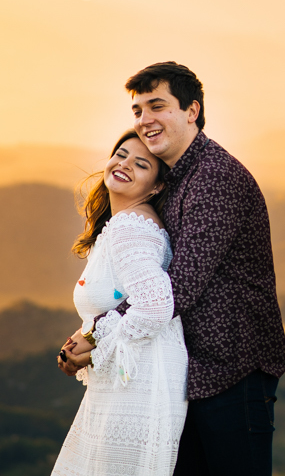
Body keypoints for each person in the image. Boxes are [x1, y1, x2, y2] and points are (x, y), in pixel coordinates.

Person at [62, 62, 285, 476]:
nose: (145, 119)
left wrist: (94, 334)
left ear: (192, 111)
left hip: (231, 370)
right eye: (137, 110)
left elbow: (177, 288)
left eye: (157, 106)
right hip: (188, 374)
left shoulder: (214, 177)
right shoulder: (178, 178)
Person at [54, 129, 188, 475]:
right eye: (121, 154)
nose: (125, 164)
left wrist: (94, 342)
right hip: (127, 382)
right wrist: (89, 341)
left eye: (141, 165)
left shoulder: (131, 227)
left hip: (138, 387)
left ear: (157, 186)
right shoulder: (121, 225)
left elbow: (156, 306)